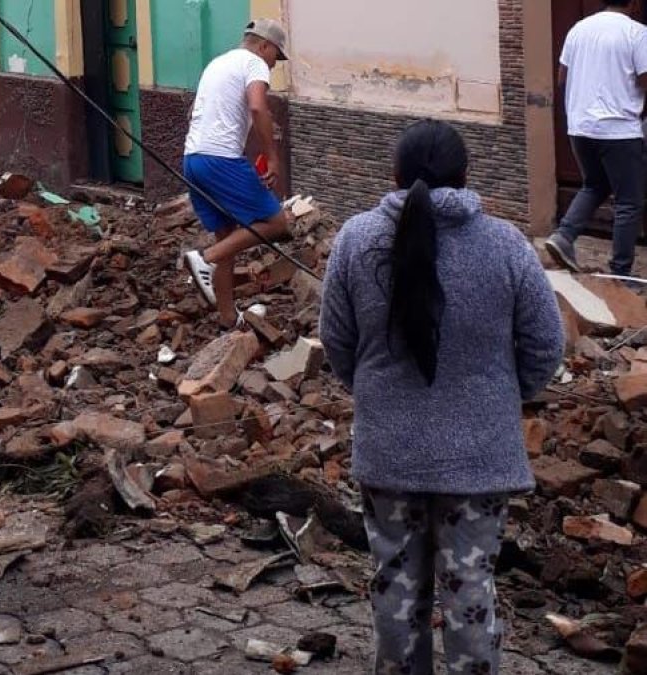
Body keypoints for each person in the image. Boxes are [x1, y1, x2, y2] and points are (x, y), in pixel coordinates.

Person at [319, 120, 565, 674]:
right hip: (480, 458)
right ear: (467, 175)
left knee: (394, 586)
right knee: (471, 589)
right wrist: (500, 397)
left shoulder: (357, 239)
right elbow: (546, 345)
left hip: (389, 454)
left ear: (395, 175)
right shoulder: (505, 245)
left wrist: (378, 395)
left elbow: (336, 342)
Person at [181, 19, 291, 328]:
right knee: (275, 222)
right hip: (220, 159)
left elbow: (196, 113)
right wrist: (272, 158)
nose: (274, 63)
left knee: (228, 235)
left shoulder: (218, 63)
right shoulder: (255, 63)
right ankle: (206, 258)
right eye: (275, 55)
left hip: (193, 158)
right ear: (263, 45)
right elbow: (257, 107)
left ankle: (229, 319)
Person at [545, 0, 647, 276]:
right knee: (629, 201)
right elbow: (645, 79)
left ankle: (564, 235)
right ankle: (620, 272)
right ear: (635, 3)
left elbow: (562, 77)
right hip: (619, 130)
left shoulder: (578, 29)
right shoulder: (636, 33)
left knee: (595, 185)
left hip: (580, 127)